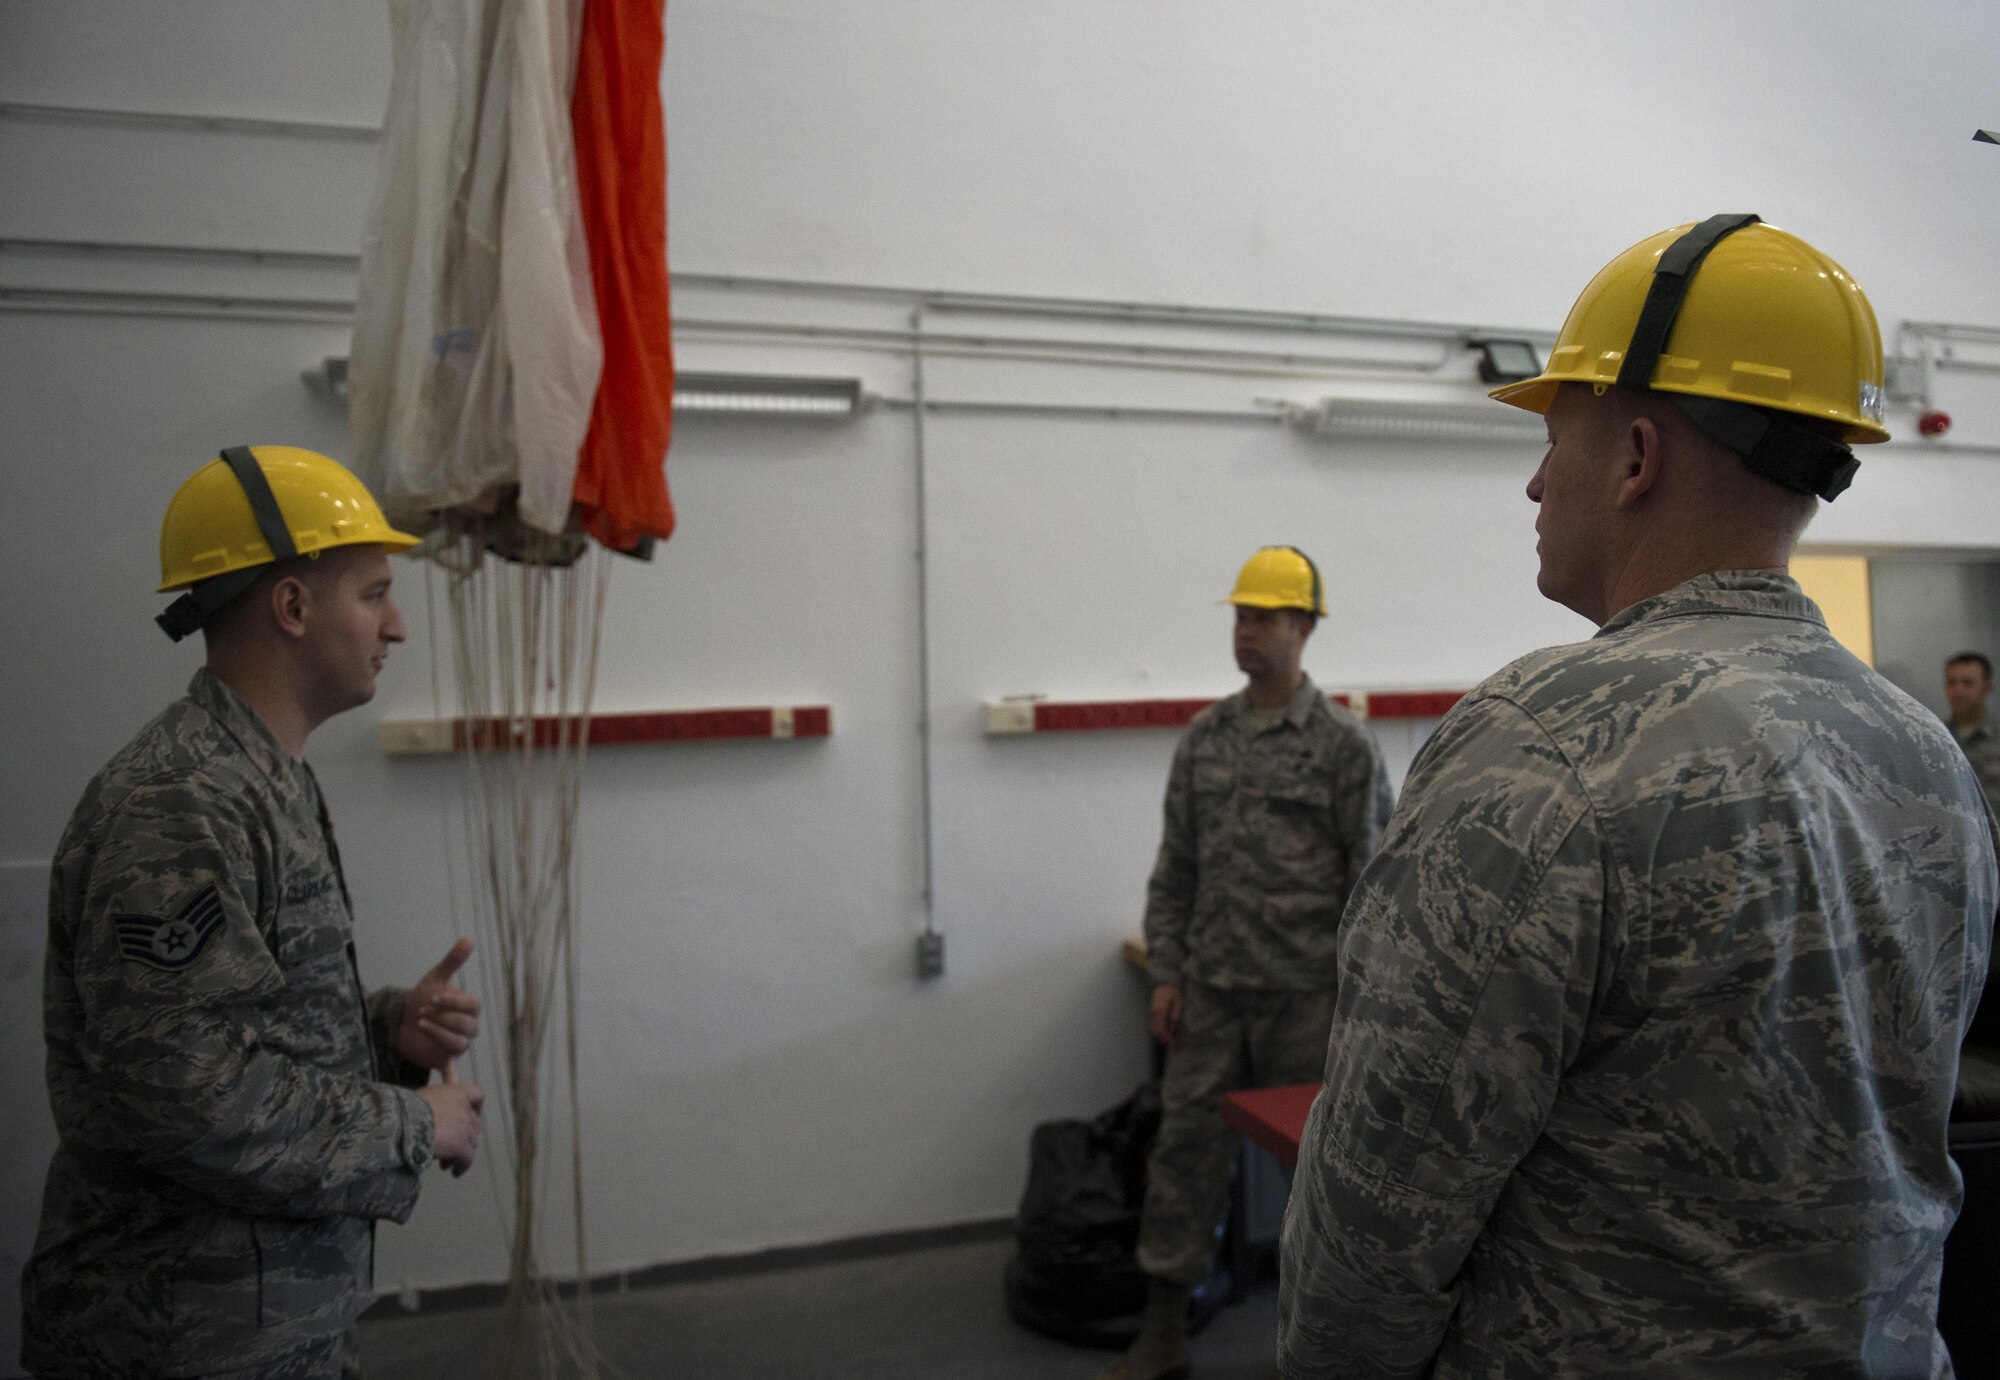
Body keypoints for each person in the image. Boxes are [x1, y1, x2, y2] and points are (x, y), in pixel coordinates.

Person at [1278, 216, 1997, 1377]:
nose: (1530, 477)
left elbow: (1377, 1203)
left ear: (1635, 457)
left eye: (1556, 432)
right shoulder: (1924, 755)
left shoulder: (1543, 744)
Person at [20, 446, 487, 1380]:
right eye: (374, 593)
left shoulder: (257, 780)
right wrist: (412, 1123)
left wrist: (386, 1027)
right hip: (183, 1332)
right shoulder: (181, 802)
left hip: (261, 1318)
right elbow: (185, 1094)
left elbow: (241, 1031)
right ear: (292, 606)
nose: (395, 626)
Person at [1104, 547, 1393, 1380]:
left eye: (1264, 618)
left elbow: (1371, 879)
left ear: (1304, 628)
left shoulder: (1344, 744)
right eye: (1240, 617)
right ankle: (1162, 1336)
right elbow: (1177, 865)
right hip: (1213, 997)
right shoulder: (1206, 738)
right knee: (1184, 1160)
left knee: (1323, 1178)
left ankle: (1337, 1347)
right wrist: (1168, 973)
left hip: (1307, 997)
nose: (1247, 632)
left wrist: (1357, 1003)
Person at [1946, 651, 2000, 818]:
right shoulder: (1937, 738)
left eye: (1968, 683)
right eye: (1951, 682)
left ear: (1987, 687)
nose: (1958, 690)